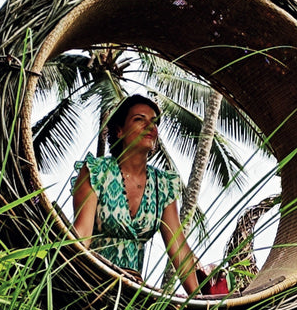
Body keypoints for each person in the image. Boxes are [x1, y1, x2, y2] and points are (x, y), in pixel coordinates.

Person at [72, 94, 201, 295]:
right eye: (139, 119)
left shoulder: (163, 185)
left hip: (131, 296)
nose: (150, 127)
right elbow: (82, 236)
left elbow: (178, 247)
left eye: (154, 122)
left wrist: (199, 299)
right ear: (120, 130)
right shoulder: (97, 172)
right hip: (90, 283)